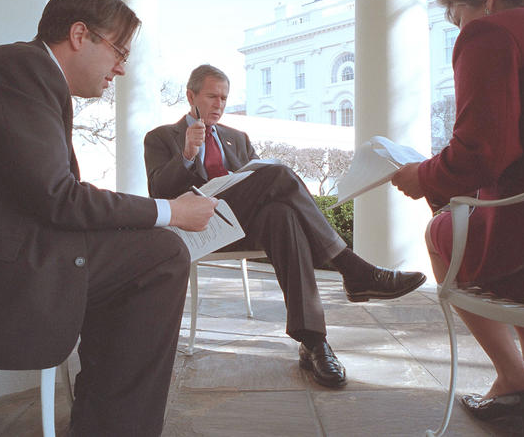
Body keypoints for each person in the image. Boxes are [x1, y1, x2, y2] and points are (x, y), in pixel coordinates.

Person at [0, 0, 219, 437]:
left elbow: (47, 195)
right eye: (118, 51)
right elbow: (60, 197)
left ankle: (106, 416)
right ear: (80, 35)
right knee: (161, 254)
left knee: (140, 252)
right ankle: (116, 426)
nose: (120, 68)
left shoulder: (20, 71)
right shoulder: (23, 69)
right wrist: (171, 212)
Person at [144, 64, 427, 388]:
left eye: (224, 97)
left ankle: (313, 341)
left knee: (282, 215)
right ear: (191, 96)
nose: (219, 104)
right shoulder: (161, 137)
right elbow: (159, 193)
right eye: (211, 96)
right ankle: (351, 267)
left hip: (241, 227)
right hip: (197, 230)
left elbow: (255, 186)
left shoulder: (237, 138)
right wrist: (187, 154)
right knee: (278, 173)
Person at [391, 0, 524, 435]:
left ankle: (517, 381)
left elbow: (481, 154)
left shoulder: (491, 33)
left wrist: (422, 176)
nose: (460, 28)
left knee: (443, 235)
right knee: (496, 238)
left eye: (457, 17)